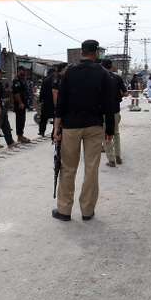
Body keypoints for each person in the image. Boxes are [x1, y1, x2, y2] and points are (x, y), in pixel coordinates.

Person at [52, 40, 116, 222]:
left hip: (71, 127)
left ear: (82, 52)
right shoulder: (104, 74)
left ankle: (64, 210)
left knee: (68, 168)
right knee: (91, 168)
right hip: (94, 126)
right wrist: (109, 128)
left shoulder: (69, 72)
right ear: (96, 53)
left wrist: (57, 128)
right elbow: (109, 104)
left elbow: (61, 103)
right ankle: (87, 210)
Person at [101, 58, 128, 167]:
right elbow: (125, 93)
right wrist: (117, 96)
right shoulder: (117, 77)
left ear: (102, 66)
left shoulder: (100, 78)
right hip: (115, 110)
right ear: (111, 66)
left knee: (105, 134)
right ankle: (118, 156)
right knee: (116, 133)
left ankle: (111, 159)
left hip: (103, 111)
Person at [0, 68, 17, 150]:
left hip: (1, 106)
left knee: (3, 125)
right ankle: (5, 142)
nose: (1, 75)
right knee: (0, 126)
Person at [11, 66, 32, 144]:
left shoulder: (23, 80)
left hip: (23, 103)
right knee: (20, 120)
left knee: (22, 120)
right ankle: (19, 136)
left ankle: (21, 135)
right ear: (19, 71)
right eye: (23, 71)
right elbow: (16, 93)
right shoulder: (16, 80)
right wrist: (20, 103)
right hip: (19, 104)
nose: (25, 72)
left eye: (25, 71)